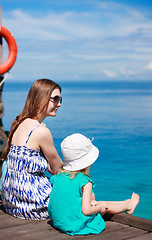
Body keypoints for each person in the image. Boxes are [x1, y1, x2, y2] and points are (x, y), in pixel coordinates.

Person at [48, 133, 140, 236]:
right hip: (74, 224)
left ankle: (126, 204)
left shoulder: (57, 177)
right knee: (102, 204)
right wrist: (100, 207)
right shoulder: (84, 182)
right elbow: (86, 211)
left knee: (94, 202)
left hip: (59, 221)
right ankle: (128, 206)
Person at [1, 78, 63, 220]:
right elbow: (58, 170)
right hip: (33, 204)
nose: (59, 104)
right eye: (55, 99)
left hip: (12, 203)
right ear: (41, 98)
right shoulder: (41, 131)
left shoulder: (20, 123)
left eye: (60, 99)